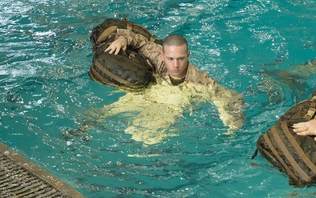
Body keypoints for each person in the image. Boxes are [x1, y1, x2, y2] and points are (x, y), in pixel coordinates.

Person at [100, 29, 244, 143]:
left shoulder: (199, 79)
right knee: (106, 113)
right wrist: (122, 39)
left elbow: (230, 96)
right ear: (162, 56)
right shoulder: (157, 56)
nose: (175, 65)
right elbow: (139, 40)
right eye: (170, 59)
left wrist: (231, 118)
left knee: (145, 136)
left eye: (180, 59)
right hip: (151, 92)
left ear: (188, 55)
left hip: (171, 102)